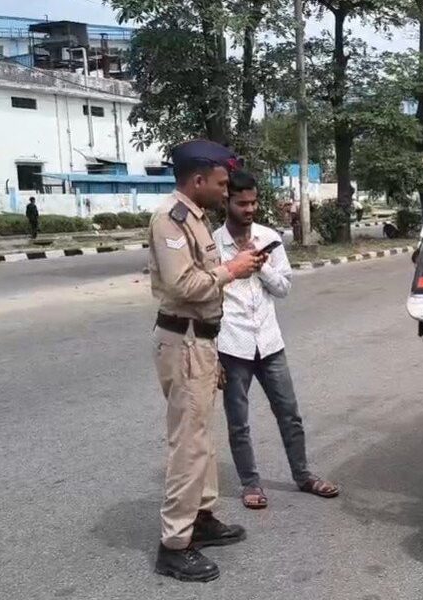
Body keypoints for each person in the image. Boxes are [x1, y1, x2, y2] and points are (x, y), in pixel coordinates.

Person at [148, 139, 265, 582]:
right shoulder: (170, 221)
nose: (224, 191)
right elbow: (182, 286)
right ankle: (175, 544)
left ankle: (202, 517)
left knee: (203, 439)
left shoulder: (197, 219)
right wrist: (230, 271)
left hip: (201, 341)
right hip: (183, 342)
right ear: (197, 180)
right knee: (188, 444)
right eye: (219, 183)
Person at [214, 170, 340, 510]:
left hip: (269, 343)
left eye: (253, 202)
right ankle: (250, 484)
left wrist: (261, 266)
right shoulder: (212, 245)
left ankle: (304, 476)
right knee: (238, 421)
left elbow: (284, 288)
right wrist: (212, 355)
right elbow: (206, 299)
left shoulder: (269, 238)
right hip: (232, 344)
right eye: (242, 203)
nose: (249, 208)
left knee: (289, 412)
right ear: (227, 202)